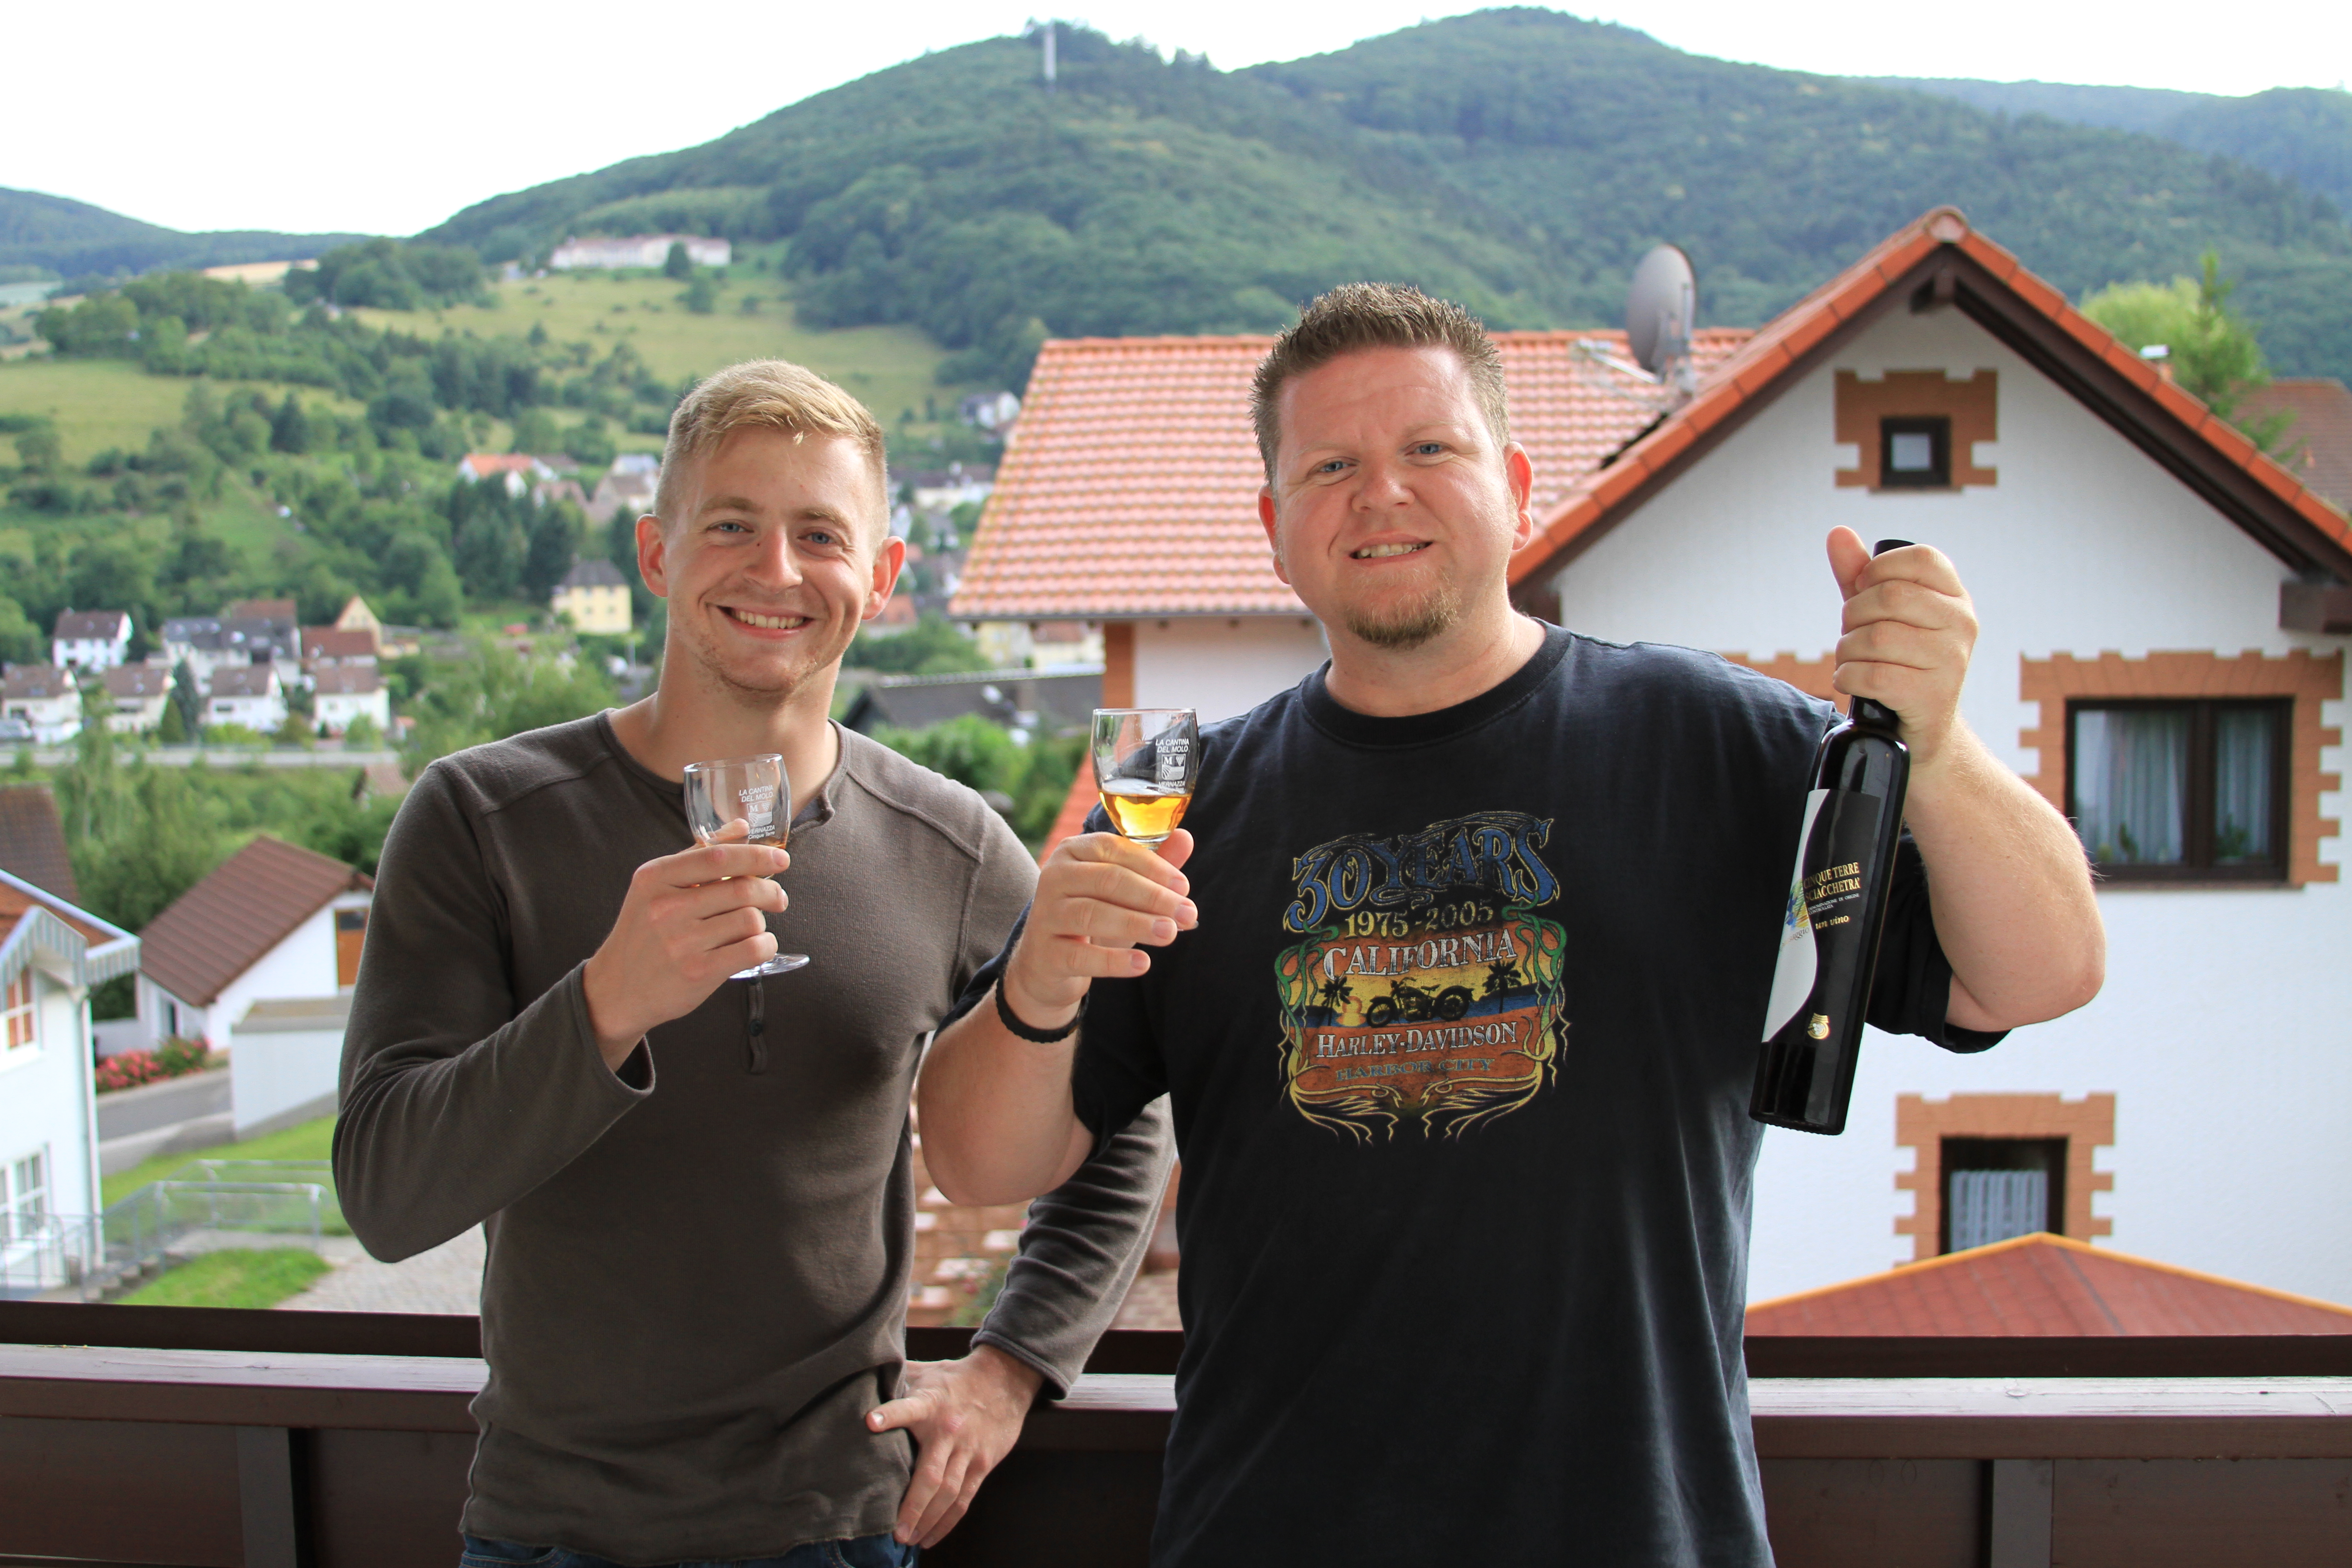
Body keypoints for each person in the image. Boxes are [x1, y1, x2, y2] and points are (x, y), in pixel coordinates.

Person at [916, 284, 2105, 1564]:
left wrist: (1945, 746)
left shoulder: (1718, 744)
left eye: (1431, 449)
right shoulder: (1179, 799)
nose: (1382, 495)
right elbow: (982, 1163)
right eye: (1332, 466)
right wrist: (1038, 980)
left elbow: (2036, 976)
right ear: (1273, 528)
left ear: (1516, 483)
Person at [335, 360, 1171, 1568]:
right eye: (731, 525)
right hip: (550, 1534)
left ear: (881, 580)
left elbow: (1117, 1120)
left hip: (840, 1530)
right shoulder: (480, 817)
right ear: (656, 554)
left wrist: (1012, 1369)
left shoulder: (952, 845)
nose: (776, 572)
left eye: (820, 535)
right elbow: (384, 1192)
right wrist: (607, 1003)